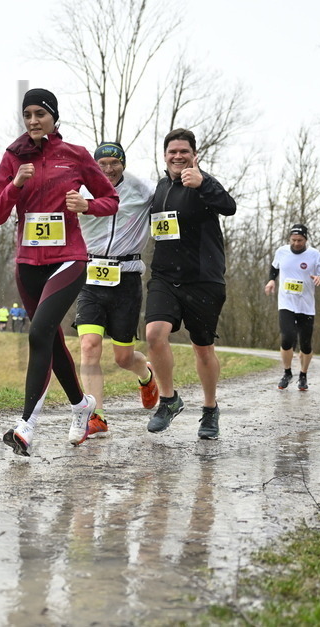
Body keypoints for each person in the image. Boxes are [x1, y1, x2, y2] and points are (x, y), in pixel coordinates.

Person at [0, 88, 118, 456]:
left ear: (53, 117)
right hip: (28, 265)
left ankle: (26, 426)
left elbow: (111, 199)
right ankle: (81, 406)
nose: (32, 121)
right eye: (27, 114)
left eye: (39, 114)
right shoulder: (13, 157)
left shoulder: (74, 156)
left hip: (69, 259)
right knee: (51, 341)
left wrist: (87, 204)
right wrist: (15, 186)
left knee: (40, 332)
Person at [144, 129, 236, 439]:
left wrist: (204, 183)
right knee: (154, 334)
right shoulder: (159, 188)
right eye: (173, 151)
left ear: (194, 155)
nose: (178, 156)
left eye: (184, 151)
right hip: (165, 277)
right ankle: (169, 400)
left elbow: (229, 206)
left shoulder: (202, 182)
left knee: (203, 349)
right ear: (164, 155)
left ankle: (210, 409)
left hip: (203, 280)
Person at [72, 142, 159, 438]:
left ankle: (146, 376)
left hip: (127, 278)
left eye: (114, 163)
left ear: (123, 163)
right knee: (89, 346)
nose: (108, 169)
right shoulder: (82, 188)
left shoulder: (142, 189)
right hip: (91, 276)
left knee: (123, 358)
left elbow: (171, 199)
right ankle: (96, 416)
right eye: (103, 164)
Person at [264, 224, 320, 391]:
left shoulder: (314, 255)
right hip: (286, 302)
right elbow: (274, 268)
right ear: (289, 239)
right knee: (287, 338)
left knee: (306, 344)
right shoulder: (282, 251)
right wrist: (272, 280)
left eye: (300, 240)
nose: (296, 243)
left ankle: (303, 374)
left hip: (306, 306)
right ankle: (287, 372)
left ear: (306, 239)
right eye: (293, 240)